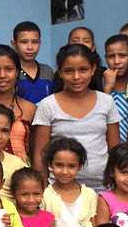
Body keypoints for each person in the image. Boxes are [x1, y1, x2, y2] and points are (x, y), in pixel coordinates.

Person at [31, 43, 121, 189]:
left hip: (102, 188)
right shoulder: (48, 105)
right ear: (59, 72)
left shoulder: (106, 102)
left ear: (93, 69)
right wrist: (43, 190)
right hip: (60, 189)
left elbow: (115, 151)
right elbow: (41, 154)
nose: (76, 77)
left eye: (83, 70)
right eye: (68, 71)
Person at [41, 137, 97, 227]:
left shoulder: (89, 194)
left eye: (71, 166)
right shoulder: (45, 195)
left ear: (80, 166)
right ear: (50, 164)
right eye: (59, 165)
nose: (64, 171)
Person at [12, 21, 54, 104]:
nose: (30, 47)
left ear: (40, 43)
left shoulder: (47, 71)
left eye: (35, 42)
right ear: (14, 44)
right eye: (24, 42)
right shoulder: (10, 72)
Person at [103, 33, 128, 140]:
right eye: (111, 56)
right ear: (105, 58)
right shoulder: (102, 84)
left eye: (122, 56)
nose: (116, 61)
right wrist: (107, 87)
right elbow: (101, 116)